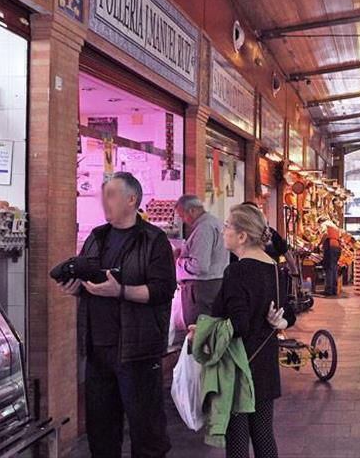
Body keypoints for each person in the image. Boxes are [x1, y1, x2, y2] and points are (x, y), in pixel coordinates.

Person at [58, 171, 176, 457]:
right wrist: (78, 289)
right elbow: (91, 281)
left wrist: (121, 291)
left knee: (146, 432)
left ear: (131, 199)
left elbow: (163, 290)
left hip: (138, 352)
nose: (104, 200)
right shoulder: (96, 238)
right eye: (103, 194)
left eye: (110, 194)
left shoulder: (154, 240)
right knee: (101, 434)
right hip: (98, 351)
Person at [211, 203, 297, 458]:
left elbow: (239, 324)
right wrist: (280, 323)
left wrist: (204, 331)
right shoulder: (275, 269)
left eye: (227, 226)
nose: (223, 231)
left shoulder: (236, 272)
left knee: (237, 437)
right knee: (263, 433)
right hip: (265, 364)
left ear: (242, 236)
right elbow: (289, 312)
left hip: (239, 366)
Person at [174, 195, 229, 327]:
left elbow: (200, 265)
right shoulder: (215, 222)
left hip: (202, 289)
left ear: (192, 210)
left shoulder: (204, 228)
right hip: (214, 284)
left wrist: (180, 261)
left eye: (182, 215)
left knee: (199, 331)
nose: (183, 220)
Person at [319, 217, 341, 296]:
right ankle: (334, 290)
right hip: (337, 247)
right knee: (334, 268)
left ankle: (328, 290)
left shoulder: (324, 224)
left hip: (330, 246)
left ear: (320, 221)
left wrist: (320, 243)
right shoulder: (334, 226)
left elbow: (325, 234)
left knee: (328, 268)